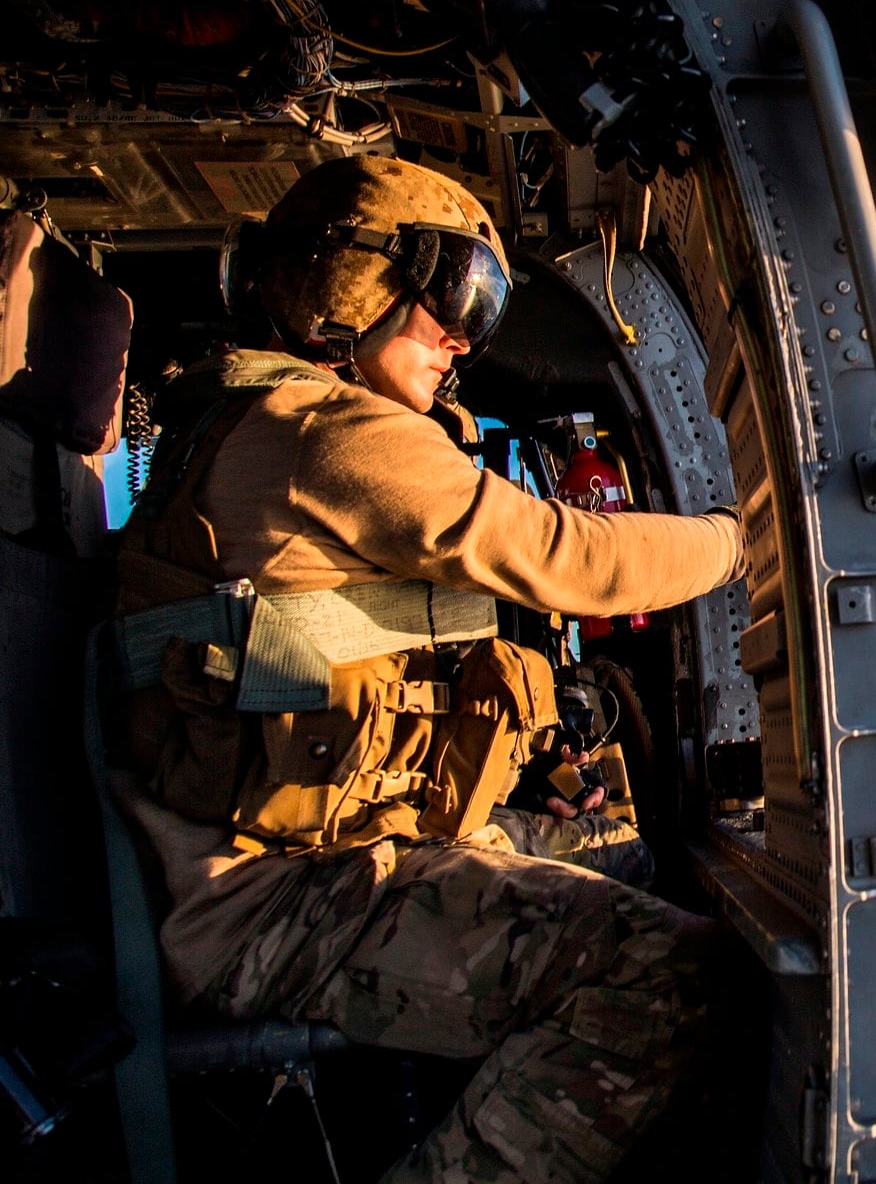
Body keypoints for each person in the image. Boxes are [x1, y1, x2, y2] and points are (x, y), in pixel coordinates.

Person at [110, 155, 746, 1182]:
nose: (464, 334)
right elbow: (565, 558)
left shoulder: (237, 423)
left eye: (485, 305)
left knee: (640, 852)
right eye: (453, 291)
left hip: (310, 857)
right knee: (668, 974)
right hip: (266, 904)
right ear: (351, 283)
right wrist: (738, 537)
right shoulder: (319, 431)